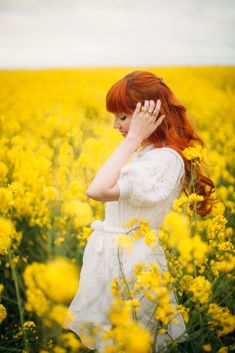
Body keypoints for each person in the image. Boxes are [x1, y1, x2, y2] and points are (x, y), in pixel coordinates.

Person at [63, 70, 217, 352]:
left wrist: (132, 139)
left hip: (133, 265)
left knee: (131, 342)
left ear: (150, 113)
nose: (115, 125)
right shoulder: (149, 153)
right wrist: (134, 140)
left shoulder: (165, 159)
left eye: (122, 116)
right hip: (117, 258)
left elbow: (97, 190)